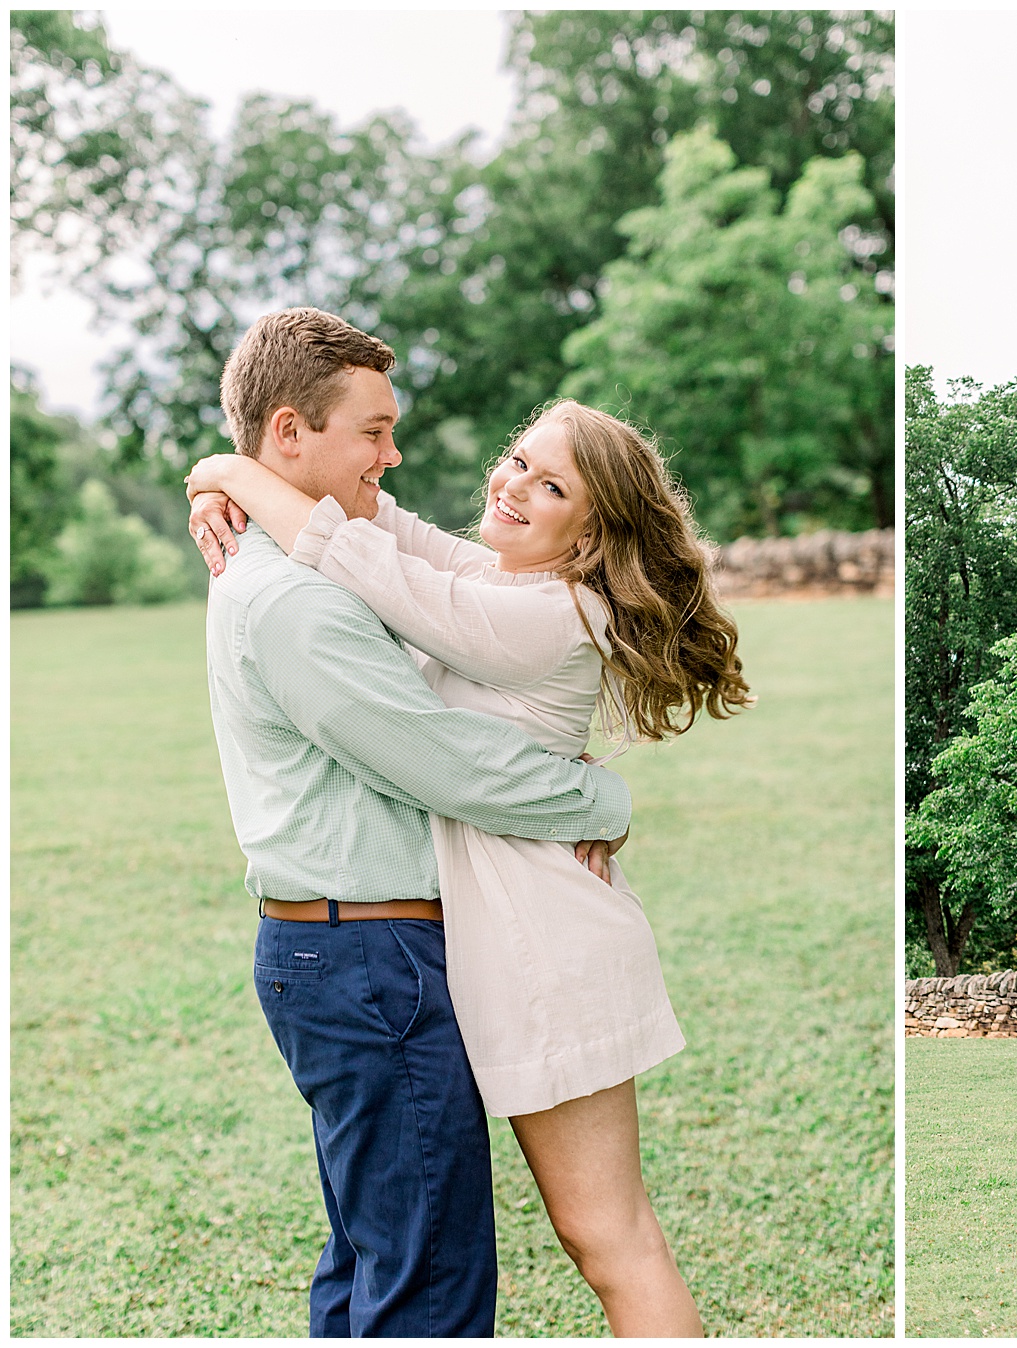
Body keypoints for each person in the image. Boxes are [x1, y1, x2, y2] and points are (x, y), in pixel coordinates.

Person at [189, 330, 751, 1336]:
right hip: (484, 940)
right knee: (448, 1248)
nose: (513, 487)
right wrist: (225, 471)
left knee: (608, 1237)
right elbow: (389, 531)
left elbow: (369, 554)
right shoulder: (497, 587)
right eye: (518, 461)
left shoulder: (538, 613)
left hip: (544, 940)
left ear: (587, 535)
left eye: (552, 489)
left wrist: (234, 467)